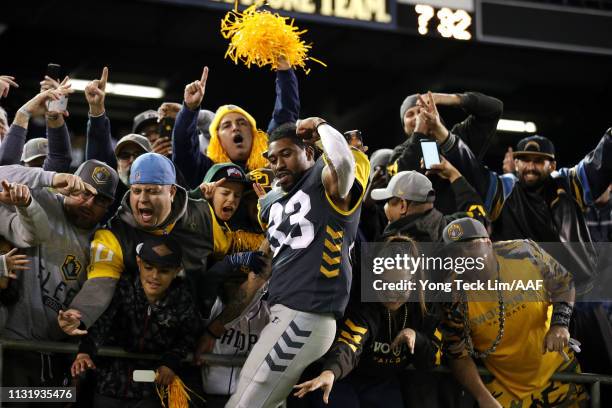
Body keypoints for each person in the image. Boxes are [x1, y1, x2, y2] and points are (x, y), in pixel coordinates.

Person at [225, 118, 370, 408]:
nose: (278, 164)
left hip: (307, 314)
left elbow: (343, 164)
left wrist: (322, 127)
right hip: (283, 311)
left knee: (245, 404)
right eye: (273, 158)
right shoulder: (282, 197)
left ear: (310, 152)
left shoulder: (325, 179)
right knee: (255, 398)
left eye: (287, 154)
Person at [59, 153, 238, 335]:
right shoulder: (113, 235)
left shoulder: (203, 216)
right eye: (137, 191)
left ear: (172, 192)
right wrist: (80, 314)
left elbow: (226, 256)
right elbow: (100, 284)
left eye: (153, 191)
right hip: (132, 344)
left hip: (188, 343)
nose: (143, 199)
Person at [439, 218, 586, 408]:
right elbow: (457, 355)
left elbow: (564, 282)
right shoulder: (452, 294)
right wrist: (483, 397)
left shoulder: (523, 252)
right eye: (455, 253)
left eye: (470, 246)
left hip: (558, 372)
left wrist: (560, 323)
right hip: (506, 390)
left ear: (488, 242)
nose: (463, 257)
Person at [0, 160, 118, 388]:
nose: (89, 202)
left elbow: (101, 291)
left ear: (109, 206)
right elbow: (3, 173)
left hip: (59, 354)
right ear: (71, 185)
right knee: (13, 401)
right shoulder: (43, 199)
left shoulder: (103, 241)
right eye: (84, 191)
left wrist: (79, 320)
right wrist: (51, 178)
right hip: (13, 344)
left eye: (100, 200)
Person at [294, 236, 439, 408]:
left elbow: (431, 359)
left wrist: (417, 338)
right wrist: (330, 372)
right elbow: (349, 344)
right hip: (346, 379)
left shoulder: (423, 309)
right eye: (385, 284)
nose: (392, 292)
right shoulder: (366, 307)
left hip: (384, 384)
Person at [72, 235, 202, 408]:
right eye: (149, 268)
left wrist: (170, 362)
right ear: (138, 262)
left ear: (177, 271)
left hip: (150, 391)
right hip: (109, 384)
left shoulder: (183, 298)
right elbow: (102, 323)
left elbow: (188, 336)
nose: (155, 276)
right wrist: (85, 351)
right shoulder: (123, 288)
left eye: (164, 271)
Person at [172, 60, 299, 190]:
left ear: (253, 132)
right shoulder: (207, 171)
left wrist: (285, 73)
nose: (235, 128)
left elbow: (285, 114)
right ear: (217, 139)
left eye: (242, 122)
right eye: (226, 125)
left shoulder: (272, 159)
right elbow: (184, 148)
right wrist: (189, 109)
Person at [391, 91, 503, 214]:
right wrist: (419, 134)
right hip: (423, 229)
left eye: (421, 110)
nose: (418, 117)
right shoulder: (400, 154)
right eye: (410, 114)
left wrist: (448, 98)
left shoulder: (461, 136)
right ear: (404, 126)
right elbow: (399, 185)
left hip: (468, 224)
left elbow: (495, 108)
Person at [371, 160, 487, 242]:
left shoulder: (388, 245)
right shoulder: (454, 230)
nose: (385, 206)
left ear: (403, 206)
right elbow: (479, 218)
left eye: (388, 201)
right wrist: (453, 173)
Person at [0, 81, 74, 172]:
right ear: (22, 164)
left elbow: (60, 160)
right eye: (33, 165)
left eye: (43, 165)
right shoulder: (14, 176)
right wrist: (23, 114)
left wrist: (53, 115)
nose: (38, 171)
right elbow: (7, 166)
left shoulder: (49, 177)